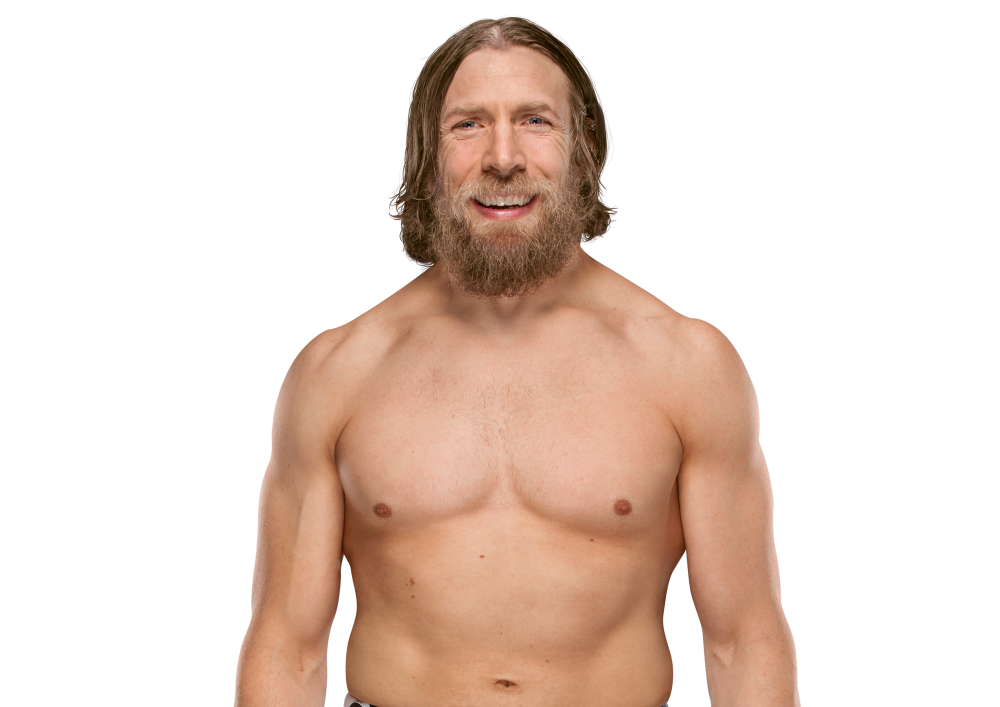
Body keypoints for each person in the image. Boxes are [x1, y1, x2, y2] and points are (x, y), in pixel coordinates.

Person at [235, 16, 800, 707]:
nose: (503, 158)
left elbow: (744, 639)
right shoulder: (337, 370)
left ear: (583, 146)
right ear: (426, 154)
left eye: (535, 120)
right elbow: (287, 648)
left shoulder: (686, 362)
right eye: (468, 125)